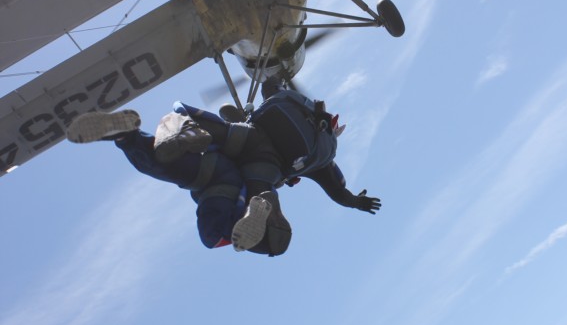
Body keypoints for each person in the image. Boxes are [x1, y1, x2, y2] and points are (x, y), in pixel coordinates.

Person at [66, 109, 292, 256]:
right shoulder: (270, 164)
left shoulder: (267, 161)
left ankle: (129, 134)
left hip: (218, 177)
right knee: (213, 236)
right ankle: (155, 134)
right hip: (222, 176)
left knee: (160, 156)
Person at [175, 80, 382, 216]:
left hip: (254, 135)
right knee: (251, 184)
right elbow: (338, 192)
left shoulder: (287, 102)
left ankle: (184, 120)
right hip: (267, 164)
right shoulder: (323, 160)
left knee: (229, 138)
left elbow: (270, 85)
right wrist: (356, 202)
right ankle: (262, 216)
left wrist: (272, 80)